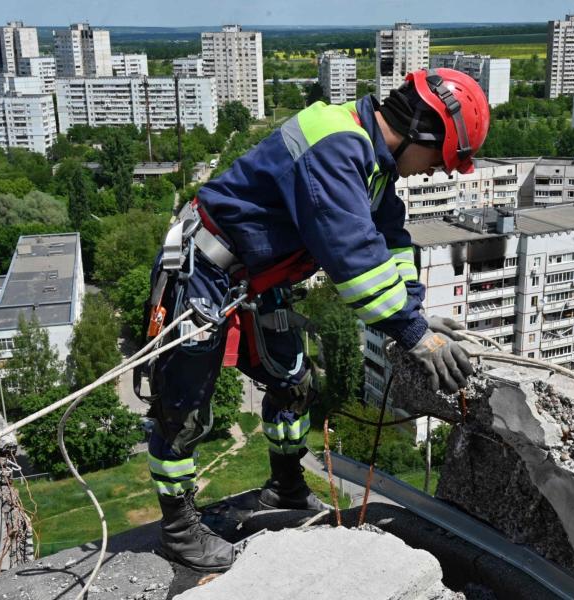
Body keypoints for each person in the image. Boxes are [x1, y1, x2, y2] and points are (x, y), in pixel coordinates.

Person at [141, 68, 491, 572]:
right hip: (204, 270)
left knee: (294, 382)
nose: (436, 171)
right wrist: (415, 337)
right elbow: (355, 263)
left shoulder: (371, 163)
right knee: (183, 408)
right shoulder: (334, 145)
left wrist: (418, 316)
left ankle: (284, 488)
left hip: (253, 278)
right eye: (440, 158)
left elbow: (390, 242)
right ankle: (178, 531)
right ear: (422, 130)